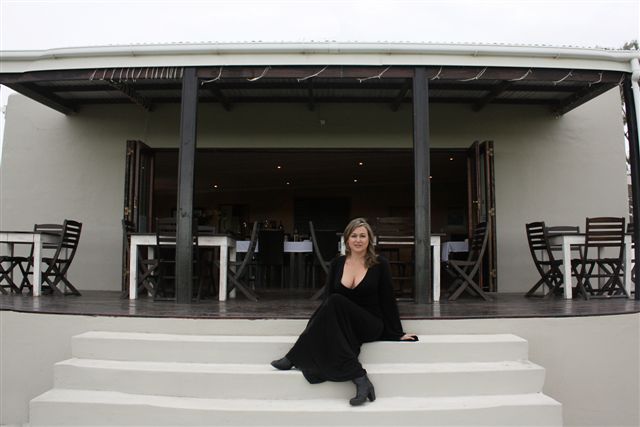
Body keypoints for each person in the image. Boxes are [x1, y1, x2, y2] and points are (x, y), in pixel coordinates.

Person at [270, 217, 417, 406]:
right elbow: (327, 300)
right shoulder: (337, 263)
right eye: (354, 236)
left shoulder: (380, 264)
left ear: (370, 240)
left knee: (335, 301)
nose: (358, 240)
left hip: (370, 322)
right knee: (332, 303)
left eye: (362, 236)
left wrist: (396, 333)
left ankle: (293, 357)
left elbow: (388, 300)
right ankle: (360, 379)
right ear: (347, 239)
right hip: (343, 322)